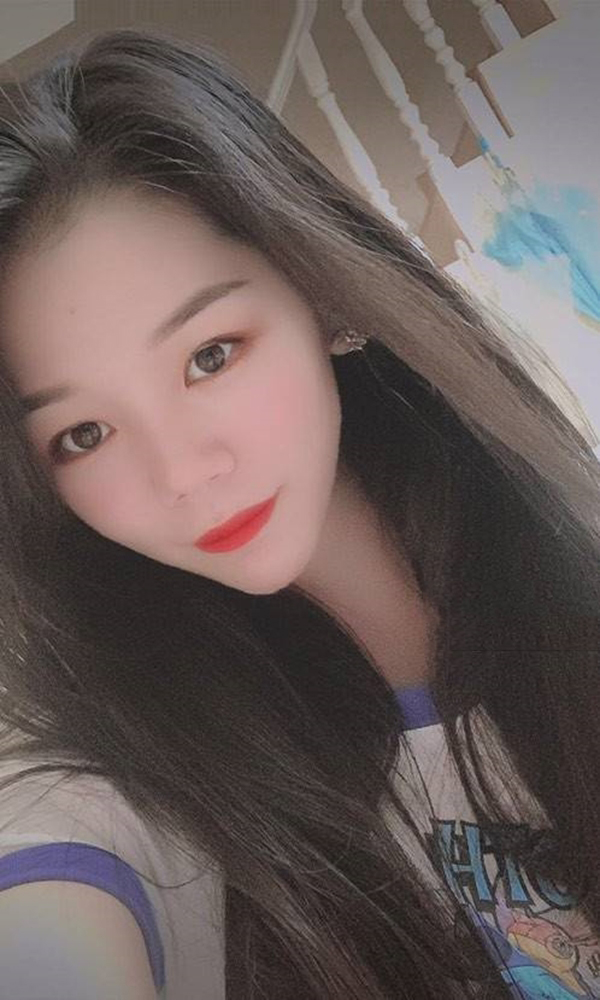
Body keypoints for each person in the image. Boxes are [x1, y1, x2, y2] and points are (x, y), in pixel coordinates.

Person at [0, 25, 597, 1000]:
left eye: (209, 356)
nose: (184, 472)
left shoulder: (574, 588)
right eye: (84, 434)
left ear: (322, 298)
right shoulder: (129, 803)